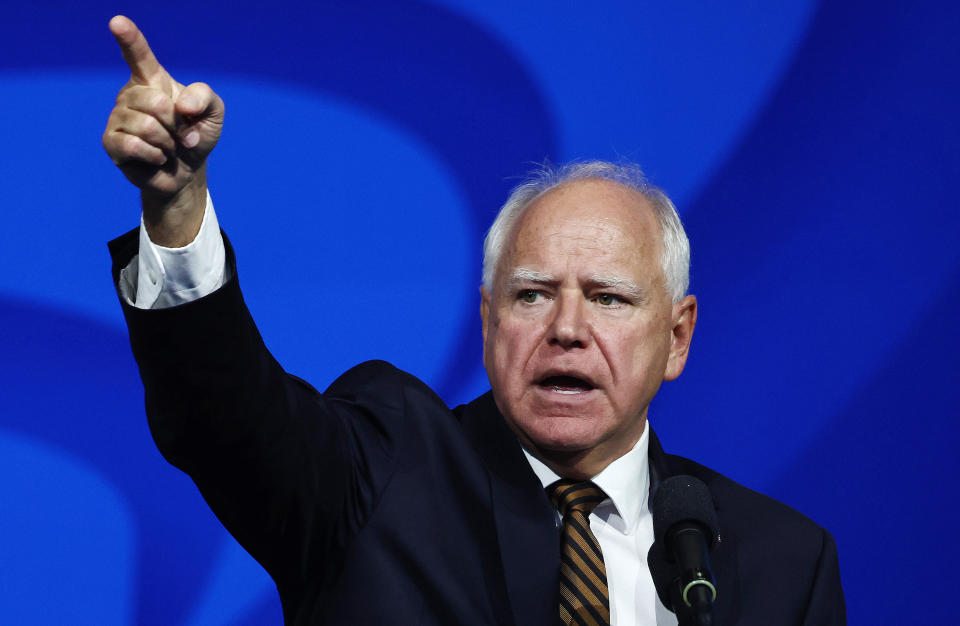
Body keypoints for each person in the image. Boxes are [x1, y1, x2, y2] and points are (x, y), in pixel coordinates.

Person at [103, 15, 845, 626]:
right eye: (531, 294)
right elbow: (225, 419)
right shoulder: (381, 475)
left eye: (610, 298)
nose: (567, 328)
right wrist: (175, 209)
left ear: (677, 336)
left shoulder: (780, 560)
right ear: (489, 323)